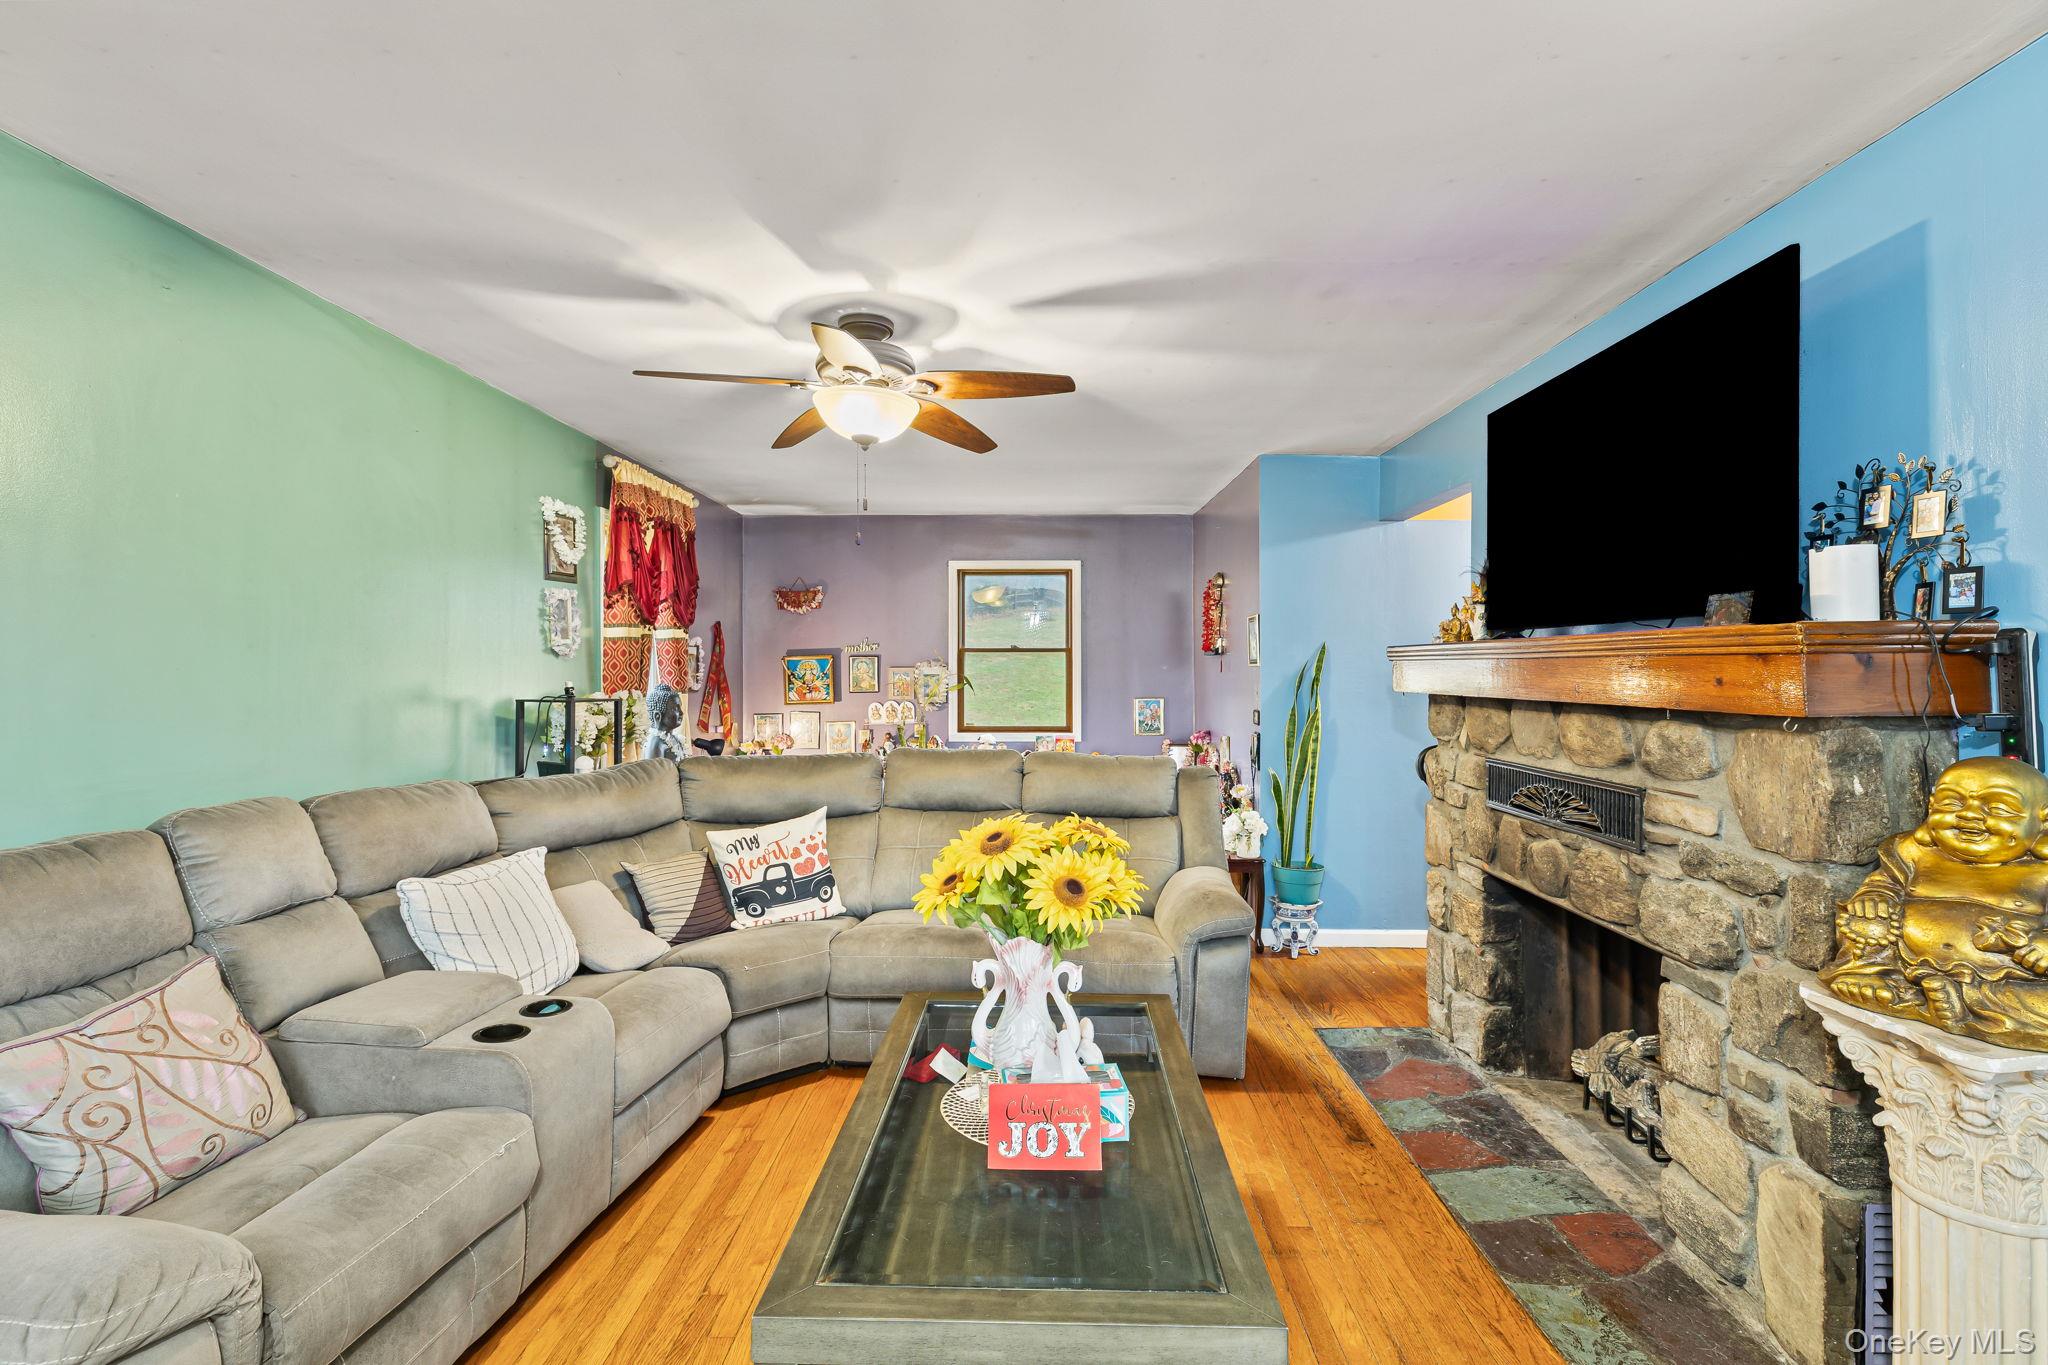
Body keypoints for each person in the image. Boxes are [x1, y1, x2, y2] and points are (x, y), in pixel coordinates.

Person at [1822, 756, 2048, 1047]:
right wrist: (1875, 898)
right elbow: (1885, 884)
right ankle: (1877, 977)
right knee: (1864, 920)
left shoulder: (2040, 872)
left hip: (2005, 973)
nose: (1969, 815)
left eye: (1998, 808)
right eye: (1952, 803)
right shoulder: (1913, 852)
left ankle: (1953, 1001)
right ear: (1931, 806)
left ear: (2043, 819)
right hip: (1908, 958)